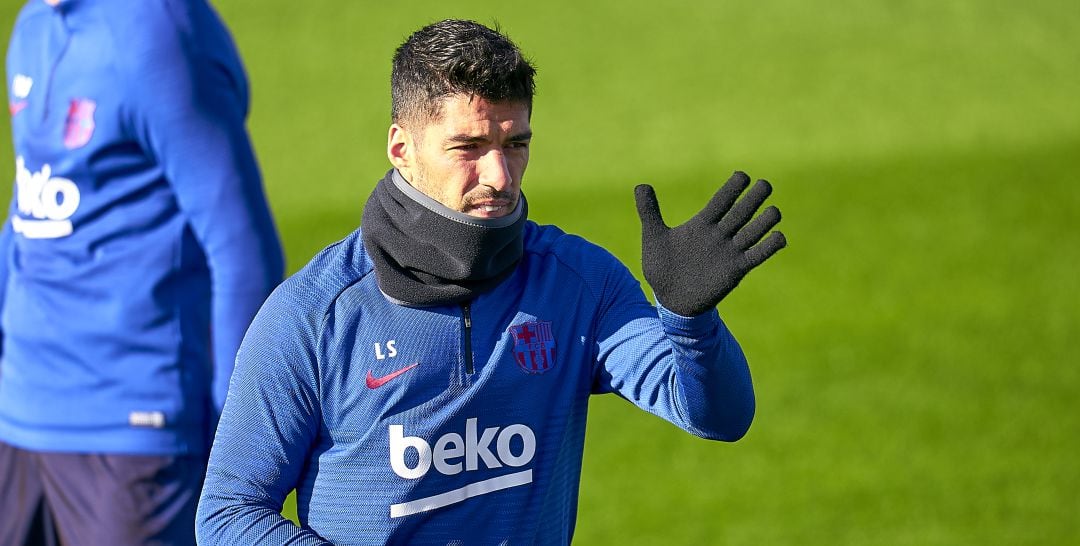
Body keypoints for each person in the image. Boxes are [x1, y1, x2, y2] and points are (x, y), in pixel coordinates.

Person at [196, 19, 785, 545]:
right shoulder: (314, 315)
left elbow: (719, 417)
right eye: (468, 148)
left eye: (516, 144)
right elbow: (226, 515)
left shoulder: (579, 283)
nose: (499, 176)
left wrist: (689, 321)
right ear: (401, 147)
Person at [0, 0, 284, 543]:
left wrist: (233, 443)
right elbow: (27, 217)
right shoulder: (34, 23)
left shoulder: (160, 33)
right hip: (20, 415)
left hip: (134, 432)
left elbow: (243, 254)